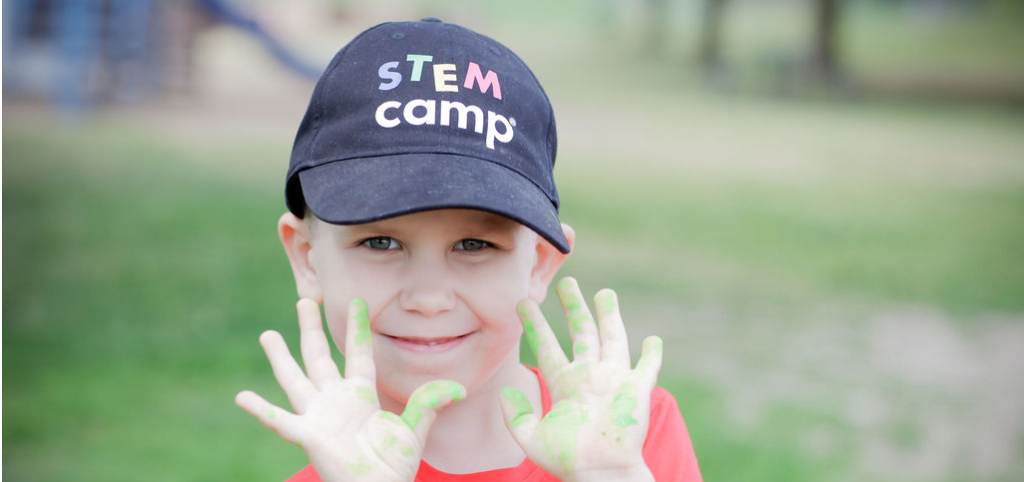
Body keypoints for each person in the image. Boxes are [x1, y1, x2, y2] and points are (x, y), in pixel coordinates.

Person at [234, 18, 703, 482]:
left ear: (539, 262)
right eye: (380, 242)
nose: (429, 298)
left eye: (474, 244)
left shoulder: (628, 434)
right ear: (306, 257)